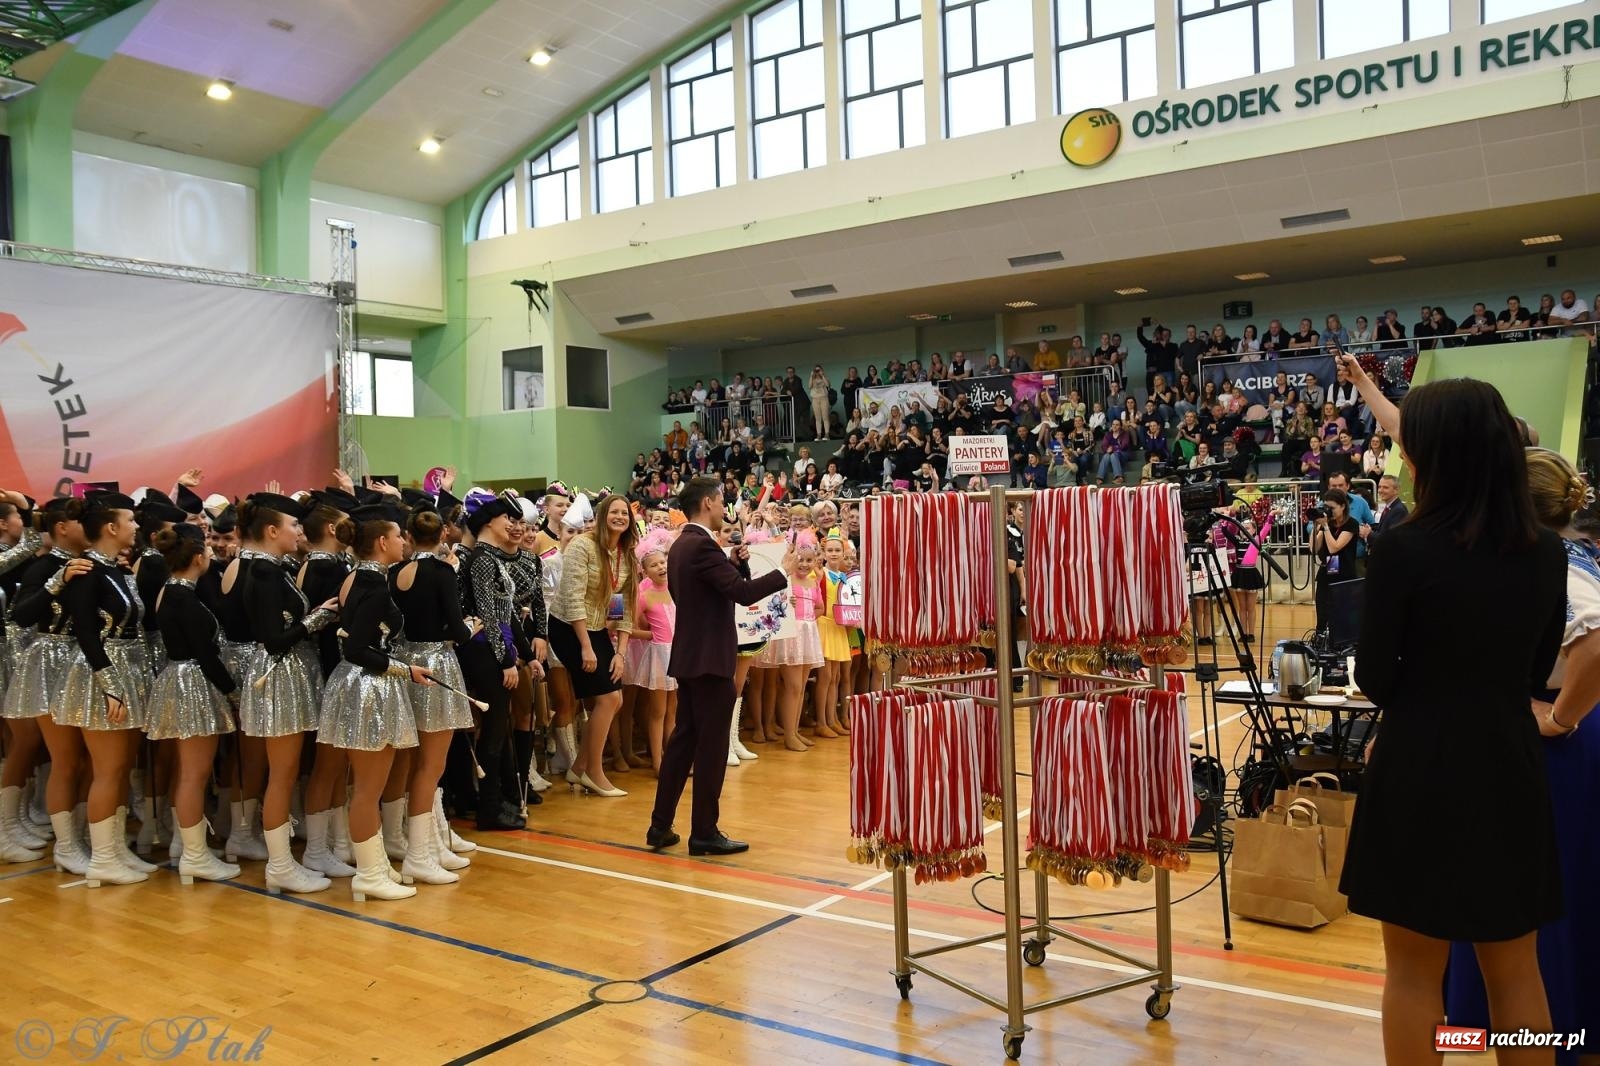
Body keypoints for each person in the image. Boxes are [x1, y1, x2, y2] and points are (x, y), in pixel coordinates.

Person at [1343, 378, 1566, 1066]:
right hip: (1508, 763)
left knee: (1413, 972)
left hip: (1418, 767)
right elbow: (1537, 673)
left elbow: (1376, 678)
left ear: (1437, 455)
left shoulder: (1404, 549)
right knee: (1516, 970)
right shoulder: (1546, 552)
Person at [1442, 448, 1599, 1059]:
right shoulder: (1572, 550)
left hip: (1556, 741)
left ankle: (1542, 1030)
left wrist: (1559, 718)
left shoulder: (1556, 563)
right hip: (1569, 735)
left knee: (1536, 898)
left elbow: (1592, 639)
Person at [648, 477, 789, 856]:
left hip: (692, 655)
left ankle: (660, 824)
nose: (724, 507)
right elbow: (741, 595)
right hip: (710, 660)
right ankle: (704, 832)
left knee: (684, 742)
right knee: (709, 748)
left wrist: (732, 562)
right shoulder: (701, 547)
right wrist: (783, 571)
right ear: (708, 502)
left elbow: (712, 590)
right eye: (721, 500)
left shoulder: (682, 545)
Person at [144, 524, 240, 885]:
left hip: (178, 678)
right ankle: (194, 855)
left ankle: (187, 847)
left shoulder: (169, 592)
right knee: (194, 775)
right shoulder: (183, 598)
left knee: (189, 773)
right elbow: (206, 653)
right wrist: (233, 692)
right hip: (193, 683)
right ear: (198, 558)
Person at [391, 507, 476, 878]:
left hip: (403, 663)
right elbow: (457, 630)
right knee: (431, 766)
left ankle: (430, 843)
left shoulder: (394, 572)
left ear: (408, 535)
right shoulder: (442, 572)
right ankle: (419, 855)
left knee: (413, 761)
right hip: (435, 663)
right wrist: (474, 626)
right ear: (443, 534)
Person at [549, 494, 638, 798]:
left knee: (615, 698)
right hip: (568, 627)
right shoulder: (582, 546)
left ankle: (580, 767)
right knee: (608, 700)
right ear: (602, 516)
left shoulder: (625, 553)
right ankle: (593, 772)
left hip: (597, 627)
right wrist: (587, 647)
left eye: (624, 513)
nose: (619, 517)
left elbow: (623, 605)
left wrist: (620, 652)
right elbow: (572, 598)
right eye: (613, 512)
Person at [1364, 474, 1408, 545]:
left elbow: (1390, 539)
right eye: (1379, 487)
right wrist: (1370, 529)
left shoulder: (1399, 510)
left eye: (1385, 487)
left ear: (1396, 490)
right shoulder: (1390, 507)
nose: (1380, 490)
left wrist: (1368, 534)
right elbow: (1383, 529)